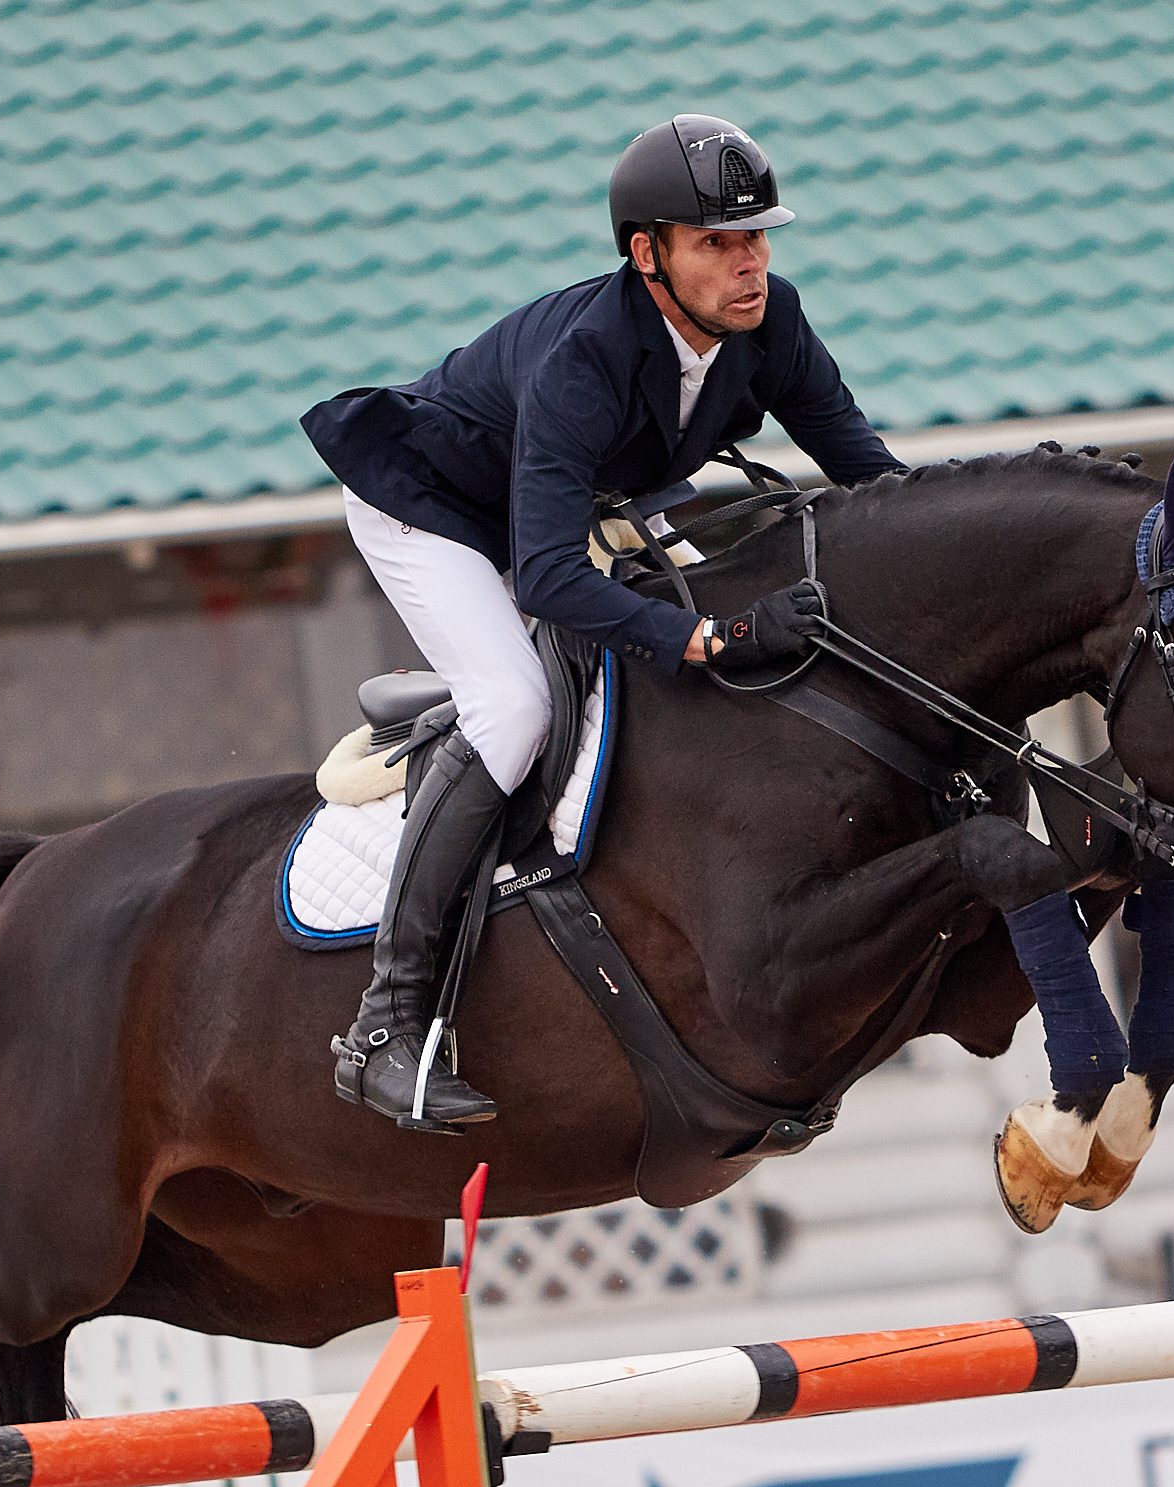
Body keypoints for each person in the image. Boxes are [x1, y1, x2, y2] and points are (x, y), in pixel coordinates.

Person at [303, 114, 906, 1133]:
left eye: (757, 237)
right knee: (514, 707)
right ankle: (384, 1025)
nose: (750, 263)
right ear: (648, 255)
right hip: (430, 505)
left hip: (557, 507)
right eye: (717, 242)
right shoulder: (585, 356)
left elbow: (869, 475)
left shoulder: (771, 322)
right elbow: (545, 576)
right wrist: (708, 640)